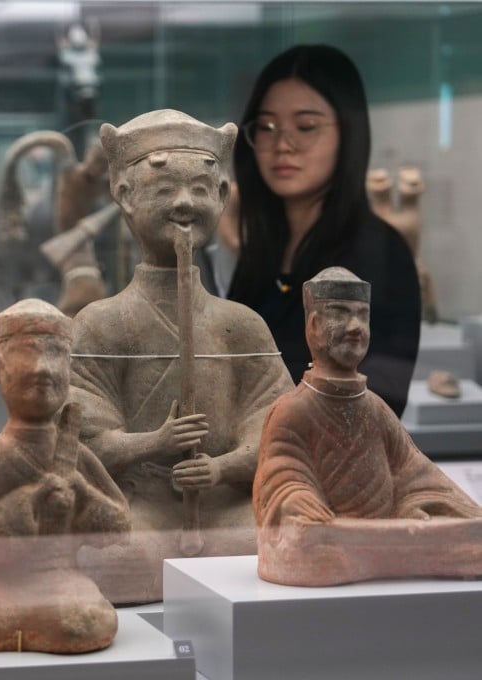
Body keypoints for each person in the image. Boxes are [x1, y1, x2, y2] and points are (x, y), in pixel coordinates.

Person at [70, 109, 294, 604]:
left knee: (279, 545)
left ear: (222, 196)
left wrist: (225, 467)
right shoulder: (99, 324)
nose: (184, 204)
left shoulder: (241, 325)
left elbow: (277, 426)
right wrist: (154, 443)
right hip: (142, 505)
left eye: (199, 189)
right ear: (125, 197)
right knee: (115, 560)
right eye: (165, 190)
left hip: (226, 507)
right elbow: (81, 442)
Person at [253, 268, 482, 587]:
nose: (355, 327)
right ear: (314, 325)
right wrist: (295, 497)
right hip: (329, 536)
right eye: (341, 314)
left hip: (378, 535)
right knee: (312, 544)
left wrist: (460, 510)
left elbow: (413, 472)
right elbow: (282, 476)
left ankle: (383, 551)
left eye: (363, 316)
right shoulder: (292, 410)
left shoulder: (374, 406)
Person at [224, 44, 420, 417]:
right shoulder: (262, 251)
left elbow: (378, 403)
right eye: (265, 127)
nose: (282, 145)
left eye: (306, 126)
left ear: (348, 134)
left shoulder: (378, 252)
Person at [0, 299, 129, 653]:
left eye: (55, 355)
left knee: (86, 620)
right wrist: (28, 501)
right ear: (1, 368)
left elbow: (119, 524)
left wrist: (82, 494)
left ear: (69, 369)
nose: (42, 368)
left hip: (61, 581)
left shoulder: (78, 457)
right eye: (28, 352)